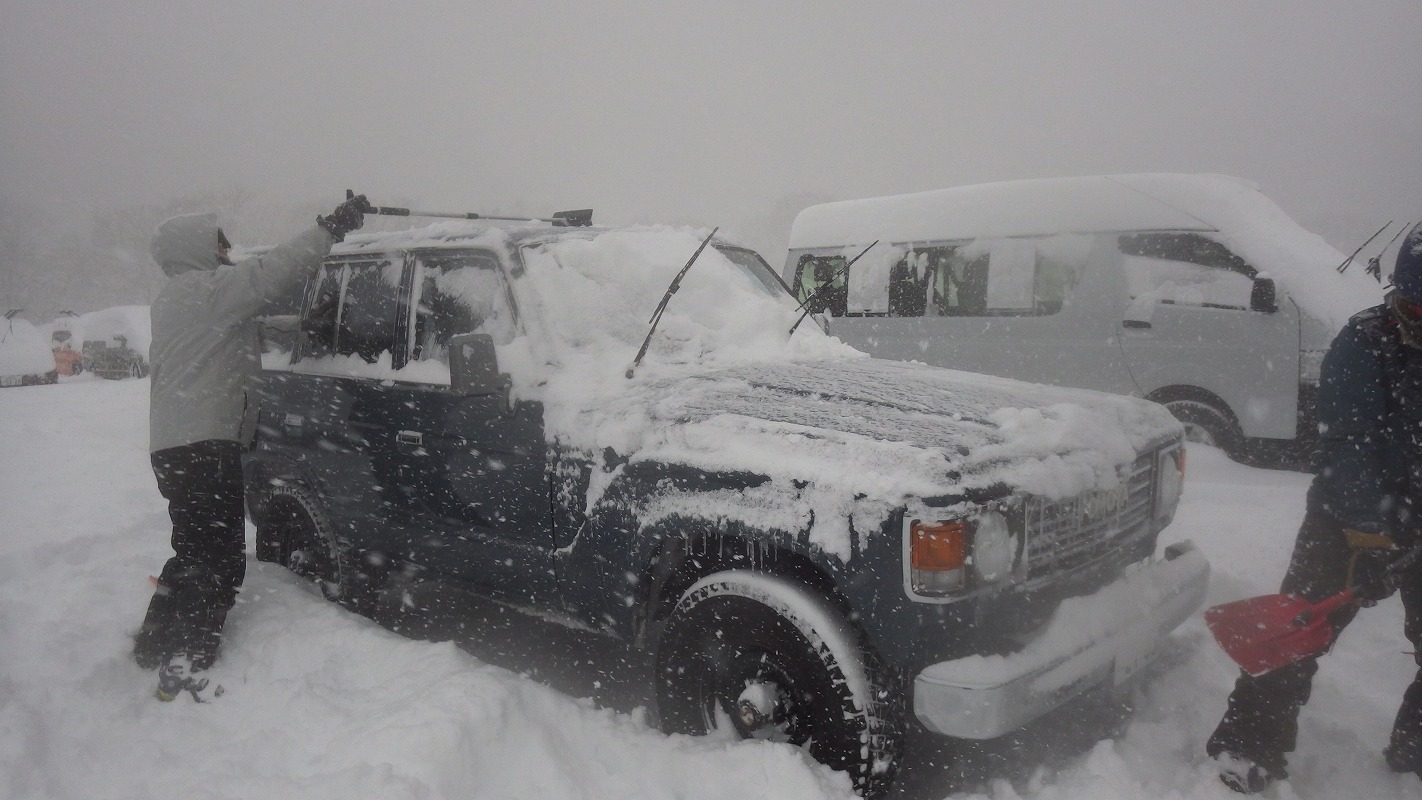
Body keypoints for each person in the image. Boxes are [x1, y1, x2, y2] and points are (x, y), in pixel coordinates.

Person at [1206, 219, 1422, 792]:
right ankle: (1245, 750)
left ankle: (1416, 752)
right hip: (1347, 518)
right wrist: (1373, 536)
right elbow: (1349, 444)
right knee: (1296, 636)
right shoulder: (1366, 341)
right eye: (1414, 310)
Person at [132, 193, 372, 701]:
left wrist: (305, 325)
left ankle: (154, 642)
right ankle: (190, 651)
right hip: (203, 446)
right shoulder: (208, 289)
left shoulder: (182, 298)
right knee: (219, 554)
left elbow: (247, 331)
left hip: (175, 449)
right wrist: (330, 228)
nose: (227, 251)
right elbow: (271, 273)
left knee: (193, 544)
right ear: (196, 250)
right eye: (219, 244)